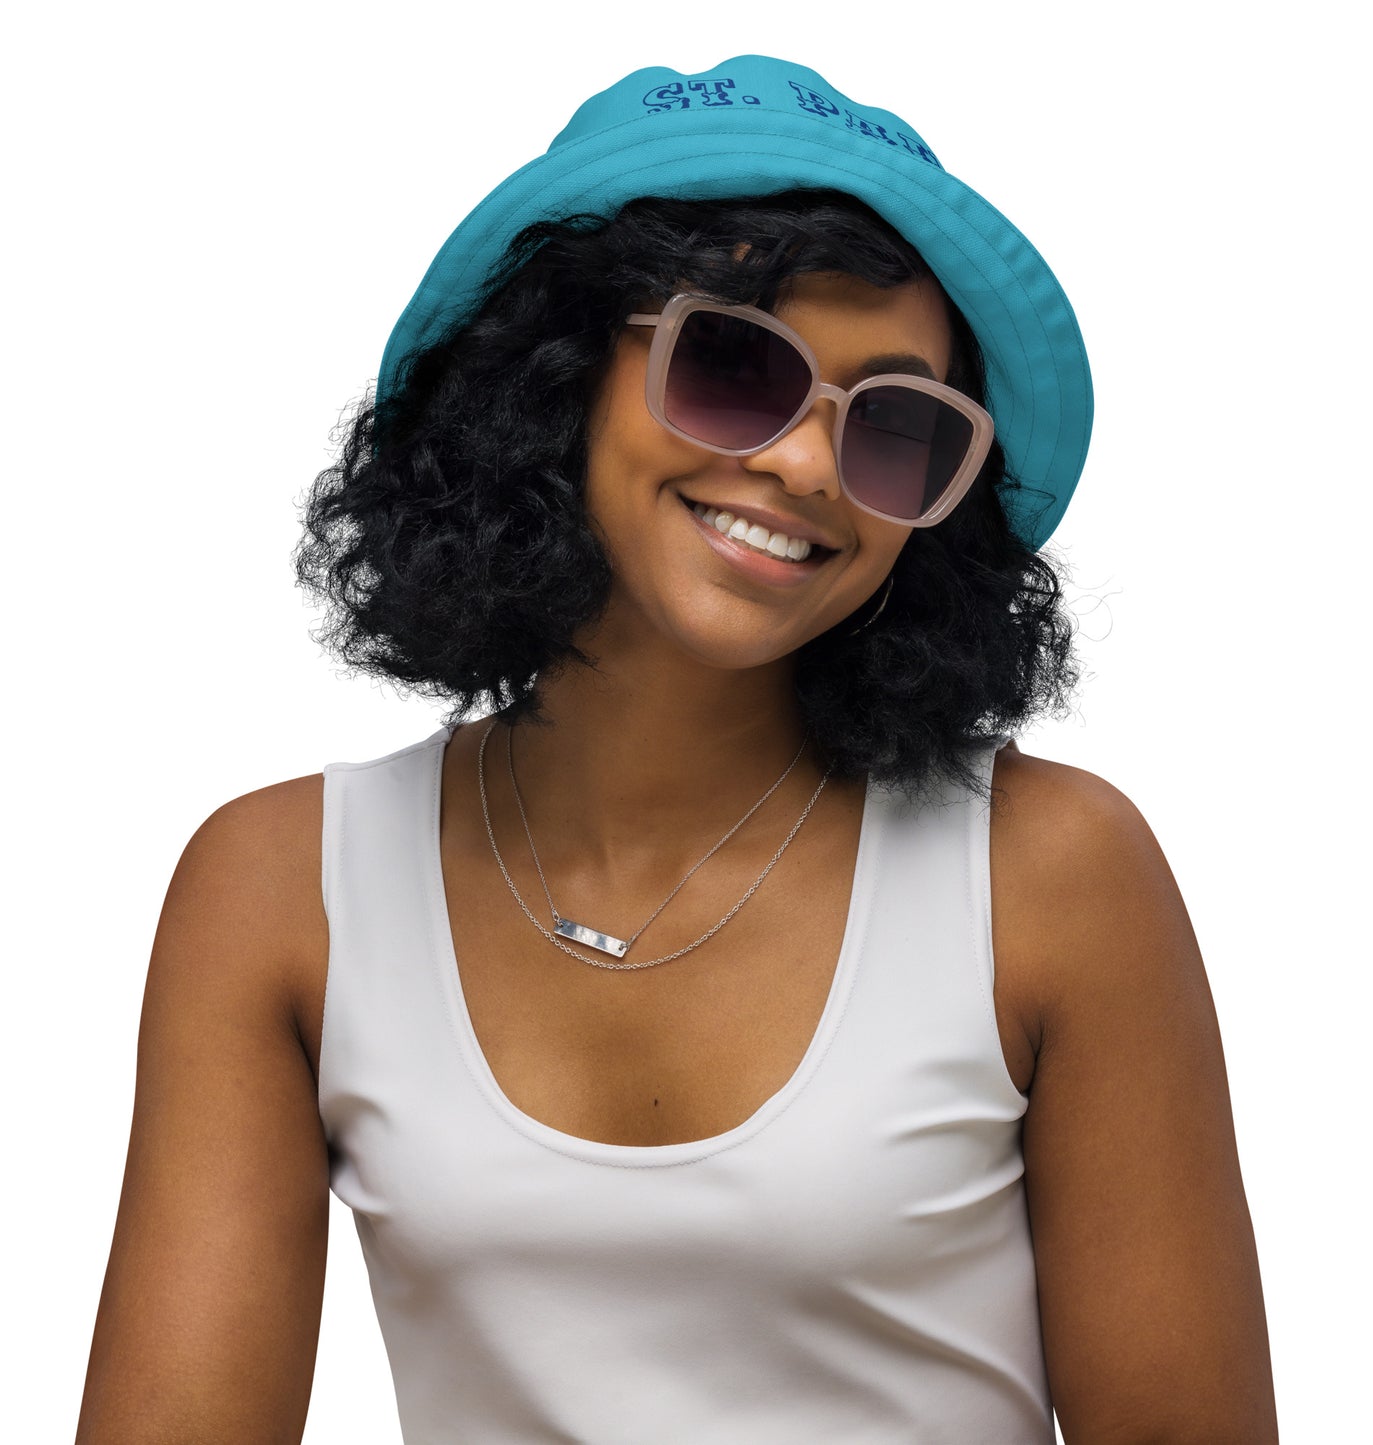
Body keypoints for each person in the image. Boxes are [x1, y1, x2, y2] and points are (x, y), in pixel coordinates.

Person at [77, 55, 1277, 1444]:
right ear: (554, 377)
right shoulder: (283, 891)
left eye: (893, 425)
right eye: (732, 365)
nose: (807, 467)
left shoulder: (1049, 876)